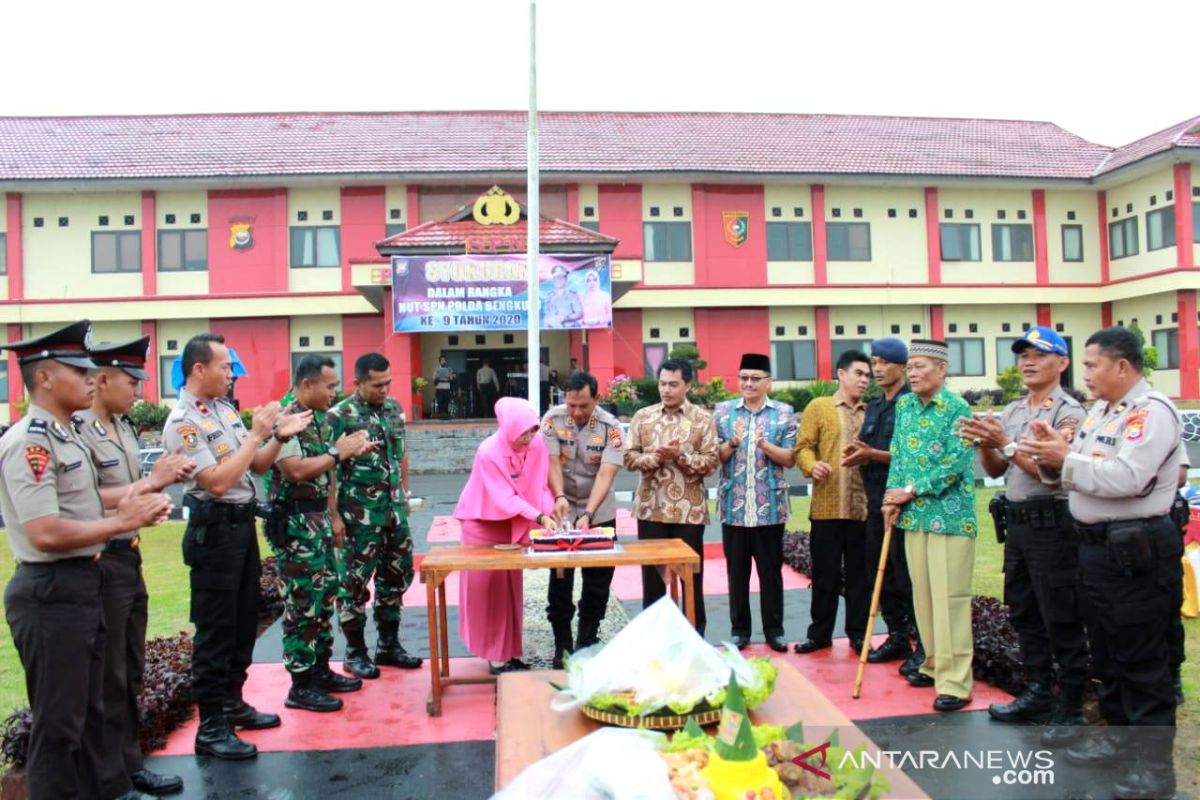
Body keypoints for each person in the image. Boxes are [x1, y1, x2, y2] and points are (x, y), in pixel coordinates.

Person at [1, 320, 172, 799]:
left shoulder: (66, 435)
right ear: (46, 378)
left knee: (90, 707)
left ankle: (110, 788)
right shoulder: (30, 443)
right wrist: (123, 521)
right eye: (78, 372)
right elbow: (46, 531)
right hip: (51, 591)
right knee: (58, 727)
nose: (89, 380)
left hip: (83, 582)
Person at [1021, 326, 1183, 798]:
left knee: (1142, 661)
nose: (1085, 374)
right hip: (1096, 547)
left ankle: (1154, 771)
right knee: (1109, 655)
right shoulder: (1101, 411)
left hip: (1136, 549)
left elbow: (1127, 479)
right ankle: (1117, 741)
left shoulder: (1150, 414)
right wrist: (1052, 453)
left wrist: (1065, 457)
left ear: (1122, 367)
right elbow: (1079, 475)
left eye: (1091, 365)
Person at [163, 333, 312, 760]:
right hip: (214, 535)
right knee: (216, 630)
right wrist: (256, 435)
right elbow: (216, 481)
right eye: (225, 366)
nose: (231, 374)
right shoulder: (184, 422)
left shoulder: (224, 410)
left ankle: (232, 702)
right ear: (198, 370)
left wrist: (278, 436)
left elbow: (258, 467)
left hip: (241, 529)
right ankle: (211, 726)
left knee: (246, 620)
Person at [76, 337, 195, 798]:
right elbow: (85, 496)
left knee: (129, 669)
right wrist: (152, 481)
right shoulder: (79, 429)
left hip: (130, 555)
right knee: (105, 675)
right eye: (131, 381)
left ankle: (129, 765)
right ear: (102, 379)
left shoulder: (123, 428)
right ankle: (109, 781)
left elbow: (132, 488)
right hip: (100, 558)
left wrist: (163, 480)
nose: (137, 391)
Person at [958, 327, 1088, 737]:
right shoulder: (1013, 410)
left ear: (1062, 363)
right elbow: (998, 469)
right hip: (1017, 525)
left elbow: (1052, 475)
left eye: (1038, 354)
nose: (1027, 362)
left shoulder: (1068, 412)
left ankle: (1070, 705)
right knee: (1024, 611)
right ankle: (1037, 693)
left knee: (1060, 614)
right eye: (1022, 355)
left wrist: (1007, 443)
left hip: (1052, 524)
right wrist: (985, 441)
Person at [267, 355, 373, 712]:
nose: (334, 392)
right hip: (296, 526)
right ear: (307, 385)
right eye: (328, 386)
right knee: (301, 604)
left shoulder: (323, 421)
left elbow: (328, 476)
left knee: (325, 595)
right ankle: (300, 683)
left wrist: (334, 517)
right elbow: (296, 470)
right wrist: (336, 452)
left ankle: (320, 669)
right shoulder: (286, 420)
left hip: (319, 522)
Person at [882, 340, 977, 713]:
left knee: (949, 598)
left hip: (950, 517)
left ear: (941, 369)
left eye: (921, 366)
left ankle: (956, 682)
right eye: (910, 367)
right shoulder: (904, 405)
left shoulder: (958, 409)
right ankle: (933, 662)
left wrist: (910, 490)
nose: (913, 373)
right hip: (913, 515)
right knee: (922, 595)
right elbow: (899, 455)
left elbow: (956, 464)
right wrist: (891, 499)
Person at [328, 352, 424, 678]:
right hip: (358, 518)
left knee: (395, 578)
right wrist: (334, 517)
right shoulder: (340, 416)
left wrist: (404, 495)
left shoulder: (394, 409)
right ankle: (355, 652)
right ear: (358, 382)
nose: (384, 390)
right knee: (353, 584)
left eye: (387, 383)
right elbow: (329, 471)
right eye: (376, 385)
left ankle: (389, 645)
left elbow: (401, 455)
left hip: (394, 512)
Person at [453, 397, 555, 674]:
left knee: (510, 589)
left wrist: (552, 513)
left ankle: (509, 651)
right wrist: (539, 516)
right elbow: (504, 497)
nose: (529, 437)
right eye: (524, 431)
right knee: (485, 590)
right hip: (482, 523)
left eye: (533, 429)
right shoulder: (488, 452)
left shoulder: (536, 445)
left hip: (514, 522)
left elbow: (539, 485)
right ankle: (494, 656)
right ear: (508, 426)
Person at [840, 338, 920, 673]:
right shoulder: (874, 406)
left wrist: (872, 454)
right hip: (876, 500)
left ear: (902, 366)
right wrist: (861, 450)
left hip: (906, 502)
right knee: (880, 571)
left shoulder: (912, 405)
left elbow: (910, 455)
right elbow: (873, 448)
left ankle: (921, 643)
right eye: (875, 362)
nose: (878, 368)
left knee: (908, 575)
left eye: (885, 362)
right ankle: (898, 635)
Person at [623, 358, 718, 635]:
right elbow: (628, 458)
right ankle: (653, 639)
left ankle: (694, 637)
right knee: (652, 580)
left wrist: (681, 456)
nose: (666, 390)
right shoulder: (643, 416)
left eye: (674, 384)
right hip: (651, 508)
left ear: (688, 385)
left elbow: (711, 463)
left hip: (689, 511)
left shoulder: (703, 419)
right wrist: (655, 457)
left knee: (691, 578)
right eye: (663, 383)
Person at [714, 353, 797, 653]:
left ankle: (774, 630)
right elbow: (715, 458)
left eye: (755, 378)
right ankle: (740, 630)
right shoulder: (723, 413)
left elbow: (790, 458)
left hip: (770, 508)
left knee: (770, 573)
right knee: (737, 574)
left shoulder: (784, 414)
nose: (748, 383)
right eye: (744, 378)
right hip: (734, 507)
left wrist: (765, 445)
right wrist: (732, 443)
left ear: (768, 382)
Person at [542, 371, 624, 667]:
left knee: (598, 583)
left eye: (583, 406)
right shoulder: (552, 419)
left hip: (599, 511)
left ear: (597, 399)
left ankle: (586, 641)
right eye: (571, 405)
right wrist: (559, 496)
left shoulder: (612, 428)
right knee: (560, 580)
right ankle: (562, 644)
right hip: (562, 510)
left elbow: (607, 472)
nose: (576, 412)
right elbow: (551, 461)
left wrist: (589, 513)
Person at [794, 350, 872, 656]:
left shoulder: (873, 411)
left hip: (863, 508)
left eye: (867, 375)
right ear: (841, 373)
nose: (864, 380)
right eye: (859, 373)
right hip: (827, 506)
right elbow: (803, 446)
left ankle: (857, 634)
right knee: (825, 575)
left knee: (860, 577)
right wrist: (812, 466)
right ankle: (820, 634)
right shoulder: (819, 407)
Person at [543, 264, 583, 328]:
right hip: (552, 329)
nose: (558, 280)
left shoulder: (572, 295)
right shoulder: (549, 296)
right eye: (556, 277)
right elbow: (546, 316)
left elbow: (579, 313)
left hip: (569, 329)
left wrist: (565, 318)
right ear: (554, 280)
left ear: (566, 279)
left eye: (561, 277)